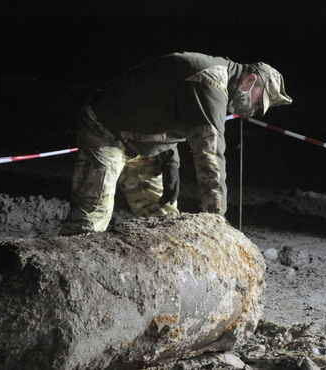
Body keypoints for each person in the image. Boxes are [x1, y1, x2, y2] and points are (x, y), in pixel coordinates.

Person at [58, 52, 292, 235]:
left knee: (161, 221)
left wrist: (170, 160)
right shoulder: (209, 81)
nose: (253, 111)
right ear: (250, 80)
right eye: (257, 103)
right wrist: (217, 217)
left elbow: (165, 114)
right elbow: (209, 153)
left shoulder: (214, 82)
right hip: (105, 131)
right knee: (92, 216)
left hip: (139, 140)